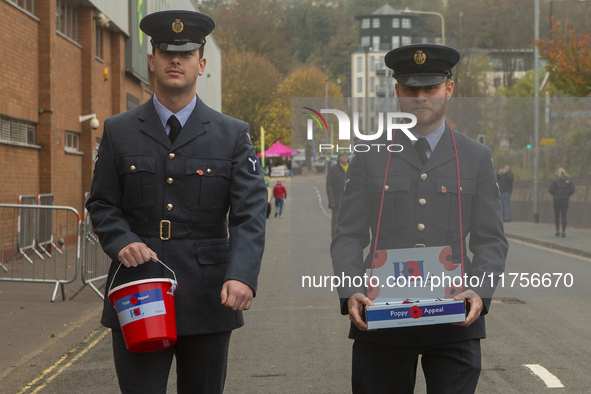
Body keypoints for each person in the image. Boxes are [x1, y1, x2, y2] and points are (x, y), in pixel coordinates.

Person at [85, 10, 267, 394]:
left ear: (201, 64)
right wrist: (122, 240)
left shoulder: (232, 134)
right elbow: (101, 204)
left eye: (185, 54)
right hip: (139, 292)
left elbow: (250, 214)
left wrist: (242, 273)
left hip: (208, 295)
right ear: (152, 61)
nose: (175, 60)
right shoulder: (119, 131)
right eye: (166, 52)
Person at [331, 44, 508, 394]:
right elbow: (348, 234)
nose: (420, 97)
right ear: (397, 91)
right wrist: (350, 287)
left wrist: (481, 290)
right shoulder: (368, 155)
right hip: (382, 316)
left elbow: (491, 239)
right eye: (411, 89)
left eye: (430, 88)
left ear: (449, 89)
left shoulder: (476, 157)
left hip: (455, 318)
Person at [326, 151, 349, 239]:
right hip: (337, 201)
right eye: (342, 156)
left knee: (348, 222)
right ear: (339, 158)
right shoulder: (333, 169)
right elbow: (329, 185)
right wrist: (332, 200)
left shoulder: (351, 168)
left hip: (349, 200)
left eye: (346, 156)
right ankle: (335, 239)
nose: (344, 157)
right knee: (336, 222)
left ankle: (346, 239)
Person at [549, 167, 575, 238]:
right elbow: (572, 190)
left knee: (557, 216)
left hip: (556, 200)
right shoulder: (568, 181)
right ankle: (563, 232)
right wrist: (567, 195)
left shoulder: (554, 181)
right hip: (565, 200)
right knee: (564, 216)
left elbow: (551, 190)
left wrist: (555, 194)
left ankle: (557, 231)